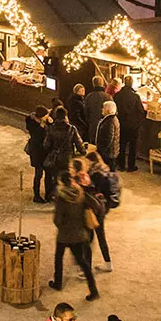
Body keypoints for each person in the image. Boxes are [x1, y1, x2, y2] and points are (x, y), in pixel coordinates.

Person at [51, 160, 100, 301]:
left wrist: (60, 225)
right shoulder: (80, 192)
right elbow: (95, 205)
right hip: (80, 233)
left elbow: (58, 219)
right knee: (83, 263)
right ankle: (93, 289)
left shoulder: (61, 197)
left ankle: (58, 283)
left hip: (65, 234)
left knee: (58, 258)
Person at [44, 106, 84, 203]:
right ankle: (65, 197)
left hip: (55, 157)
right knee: (67, 177)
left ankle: (50, 195)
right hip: (67, 157)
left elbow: (46, 145)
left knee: (53, 176)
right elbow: (79, 143)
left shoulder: (51, 128)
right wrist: (83, 152)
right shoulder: (72, 129)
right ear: (66, 116)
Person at [85, 154, 118, 271]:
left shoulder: (96, 174)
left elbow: (93, 191)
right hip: (103, 207)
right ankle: (108, 263)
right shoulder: (106, 169)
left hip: (96, 208)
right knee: (100, 236)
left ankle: (86, 268)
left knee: (89, 238)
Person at [113, 77, 145, 172]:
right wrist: (138, 122)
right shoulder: (135, 96)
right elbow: (141, 111)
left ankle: (121, 165)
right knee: (132, 146)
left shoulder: (117, 95)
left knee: (121, 145)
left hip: (121, 124)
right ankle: (131, 166)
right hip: (133, 125)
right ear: (131, 83)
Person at [26, 106, 53, 204]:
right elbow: (37, 137)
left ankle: (48, 194)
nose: (48, 116)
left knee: (48, 174)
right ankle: (36, 195)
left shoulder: (44, 123)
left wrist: (50, 123)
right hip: (37, 152)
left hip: (45, 152)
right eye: (46, 115)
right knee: (39, 174)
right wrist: (42, 126)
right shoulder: (33, 124)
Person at [94, 102, 120, 167]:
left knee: (108, 171)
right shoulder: (112, 119)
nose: (102, 109)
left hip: (108, 153)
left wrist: (101, 150)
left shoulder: (109, 122)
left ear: (107, 110)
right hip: (111, 152)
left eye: (103, 108)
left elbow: (108, 138)